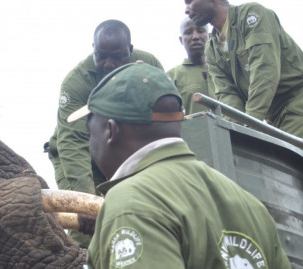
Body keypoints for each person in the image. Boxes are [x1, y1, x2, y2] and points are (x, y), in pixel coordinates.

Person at [69, 62, 291, 268]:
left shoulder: (130, 203)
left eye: (90, 134)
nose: (90, 146)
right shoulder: (251, 206)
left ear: (111, 131)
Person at [182, 0, 303, 146]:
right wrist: (237, 134)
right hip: (271, 117)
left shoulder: (252, 16)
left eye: (190, 0)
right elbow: (228, 96)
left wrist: (250, 125)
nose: (186, 9)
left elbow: (265, 72)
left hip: (301, 104)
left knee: (299, 167)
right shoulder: (212, 48)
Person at [52, 20, 163, 195]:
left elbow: (164, 122)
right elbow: (72, 141)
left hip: (125, 149)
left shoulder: (149, 67)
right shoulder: (76, 82)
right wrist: (86, 197)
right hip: (79, 154)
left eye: (117, 57)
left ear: (130, 50)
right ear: (93, 48)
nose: (109, 64)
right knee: (88, 211)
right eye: (101, 56)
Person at [166, 17, 216, 114]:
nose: (195, 37)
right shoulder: (171, 77)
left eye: (200, 31)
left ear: (209, 36)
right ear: (181, 40)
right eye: (188, 32)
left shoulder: (224, 70)